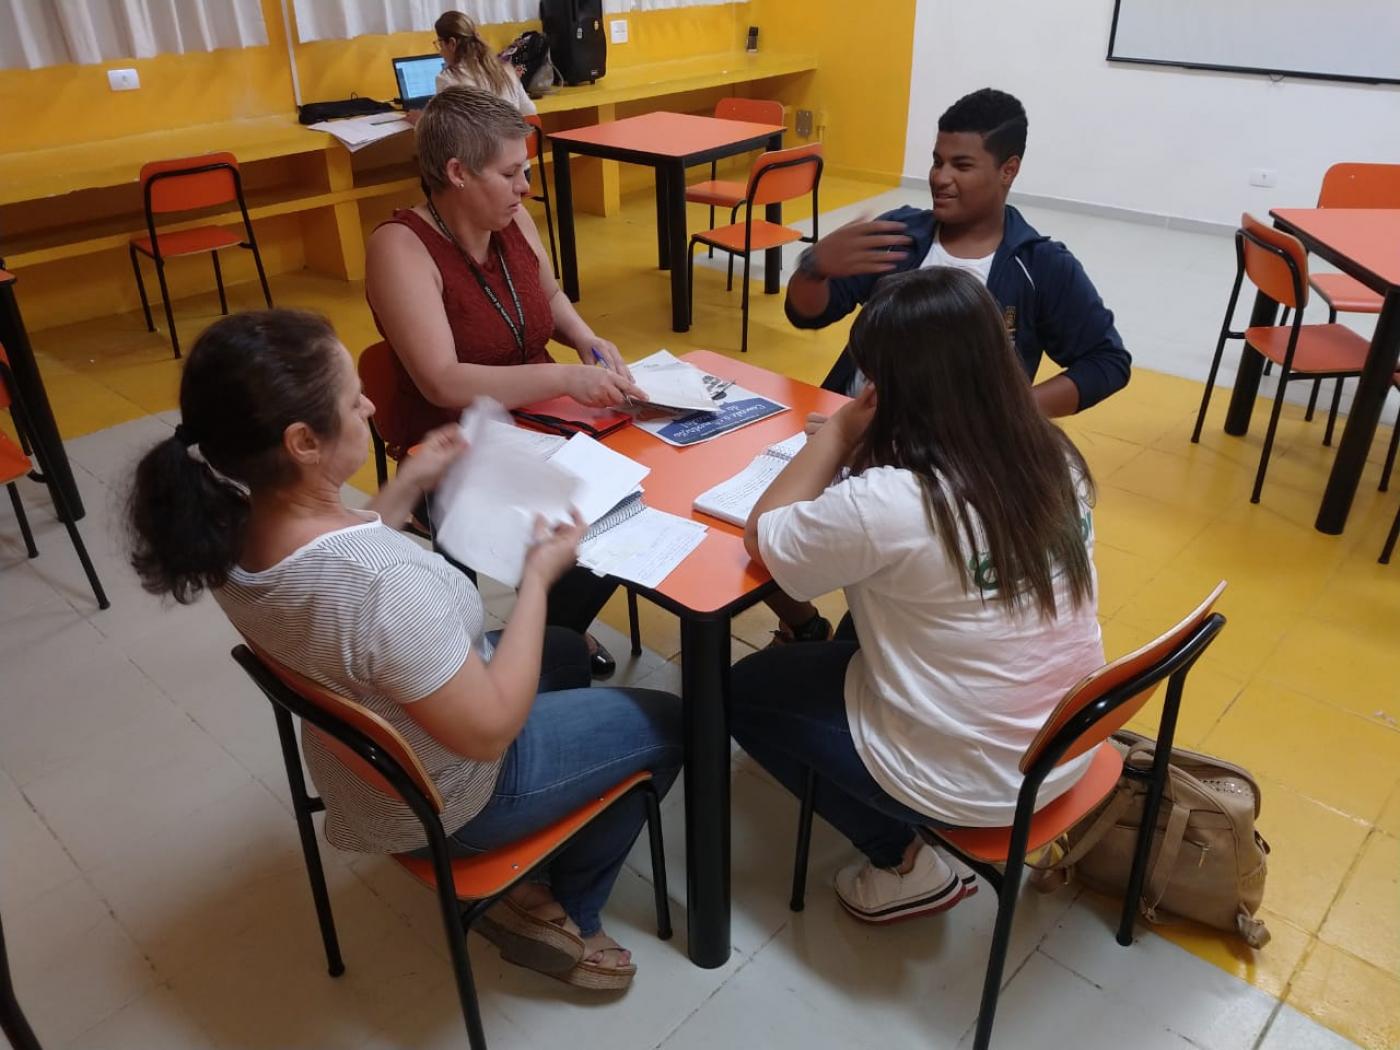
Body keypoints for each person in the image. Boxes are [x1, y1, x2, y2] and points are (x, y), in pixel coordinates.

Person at [127, 309, 681, 989]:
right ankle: (561, 907)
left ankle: (548, 844)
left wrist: (408, 487)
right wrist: (537, 579)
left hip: (369, 769)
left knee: (564, 651)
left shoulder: (228, 530)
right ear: (303, 441)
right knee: (672, 721)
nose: (366, 404)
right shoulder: (381, 586)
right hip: (450, 796)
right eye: (351, 395)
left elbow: (340, 573)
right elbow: (486, 731)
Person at [731, 267, 1103, 924]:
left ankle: (905, 862)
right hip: (1069, 742)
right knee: (867, 620)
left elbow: (763, 537)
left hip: (975, 781)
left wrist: (843, 432)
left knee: (740, 692)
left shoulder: (891, 502)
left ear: (895, 389)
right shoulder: (1054, 453)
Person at [773, 86, 1131, 645]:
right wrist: (815, 267)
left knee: (882, 565)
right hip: (849, 430)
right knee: (755, 513)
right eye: (937, 161)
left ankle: (864, 638)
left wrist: (1005, 412)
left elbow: (1108, 361)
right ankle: (803, 628)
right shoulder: (902, 235)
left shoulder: (1041, 266)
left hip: (943, 463)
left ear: (1008, 170)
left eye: (962, 165)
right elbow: (807, 313)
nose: (941, 177)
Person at [366, 87, 643, 676]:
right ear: (457, 172)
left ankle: (547, 633)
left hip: (537, 418)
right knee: (583, 518)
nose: (525, 187)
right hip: (450, 442)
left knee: (629, 503)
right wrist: (564, 374)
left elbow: (548, 296)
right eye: (511, 173)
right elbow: (441, 381)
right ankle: (533, 644)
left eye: (526, 171)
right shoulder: (400, 247)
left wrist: (591, 344)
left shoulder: (512, 218)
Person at [433, 11, 537, 116]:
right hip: (512, 132)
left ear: (452, 43)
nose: (440, 52)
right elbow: (530, 112)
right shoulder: (506, 69)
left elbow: (441, 129)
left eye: (440, 44)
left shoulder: (447, 80)